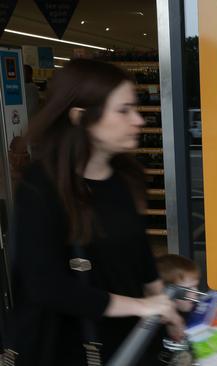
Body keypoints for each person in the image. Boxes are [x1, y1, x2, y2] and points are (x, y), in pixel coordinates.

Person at [10, 59, 184, 365]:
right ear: (81, 117)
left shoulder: (123, 178)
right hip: (72, 348)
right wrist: (140, 306)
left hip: (132, 344)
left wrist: (164, 305)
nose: (138, 120)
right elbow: (45, 285)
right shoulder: (41, 187)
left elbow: (141, 258)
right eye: (123, 110)